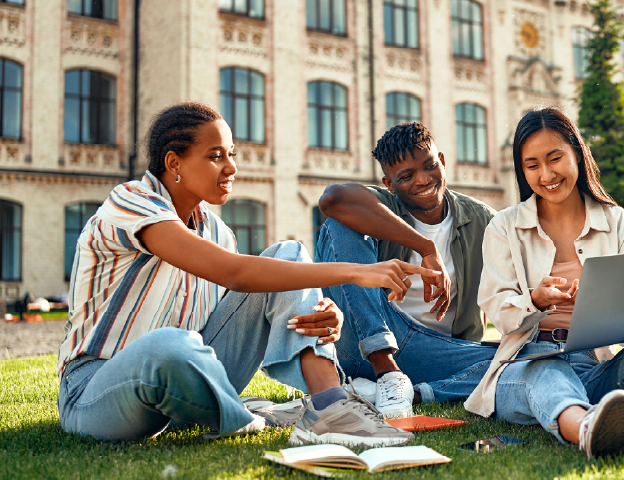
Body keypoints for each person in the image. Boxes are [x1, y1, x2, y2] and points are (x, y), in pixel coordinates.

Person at [57, 102, 430, 447]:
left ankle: (329, 407)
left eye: (231, 154)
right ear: (174, 163)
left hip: (189, 377)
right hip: (95, 389)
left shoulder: (217, 232)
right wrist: (356, 272)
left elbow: (247, 302)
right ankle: (253, 417)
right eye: (215, 156)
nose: (231, 167)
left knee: (290, 254)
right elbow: (237, 274)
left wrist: (321, 312)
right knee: (170, 345)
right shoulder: (131, 201)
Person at [465, 107, 624, 459]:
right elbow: (498, 315)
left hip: (594, 364)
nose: (546, 174)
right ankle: (587, 430)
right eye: (532, 165)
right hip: (525, 363)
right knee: (547, 370)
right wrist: (535, 300)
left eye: (555, 159)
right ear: (522, 171)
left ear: (578, 156)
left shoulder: (618, 223)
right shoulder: (504, 227)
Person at [315, 123, 500, 418]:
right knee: (340, 223)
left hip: (439, 351)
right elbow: (333, 198)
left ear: (442, 159)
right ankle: (386, 372)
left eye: (429, 166)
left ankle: (410, 392)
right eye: (406, 176)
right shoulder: (380, 208)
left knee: (525, 360)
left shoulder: (484, 220)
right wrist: (427, 248)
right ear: (390, 184)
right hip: (366, 341)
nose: (423, 180)